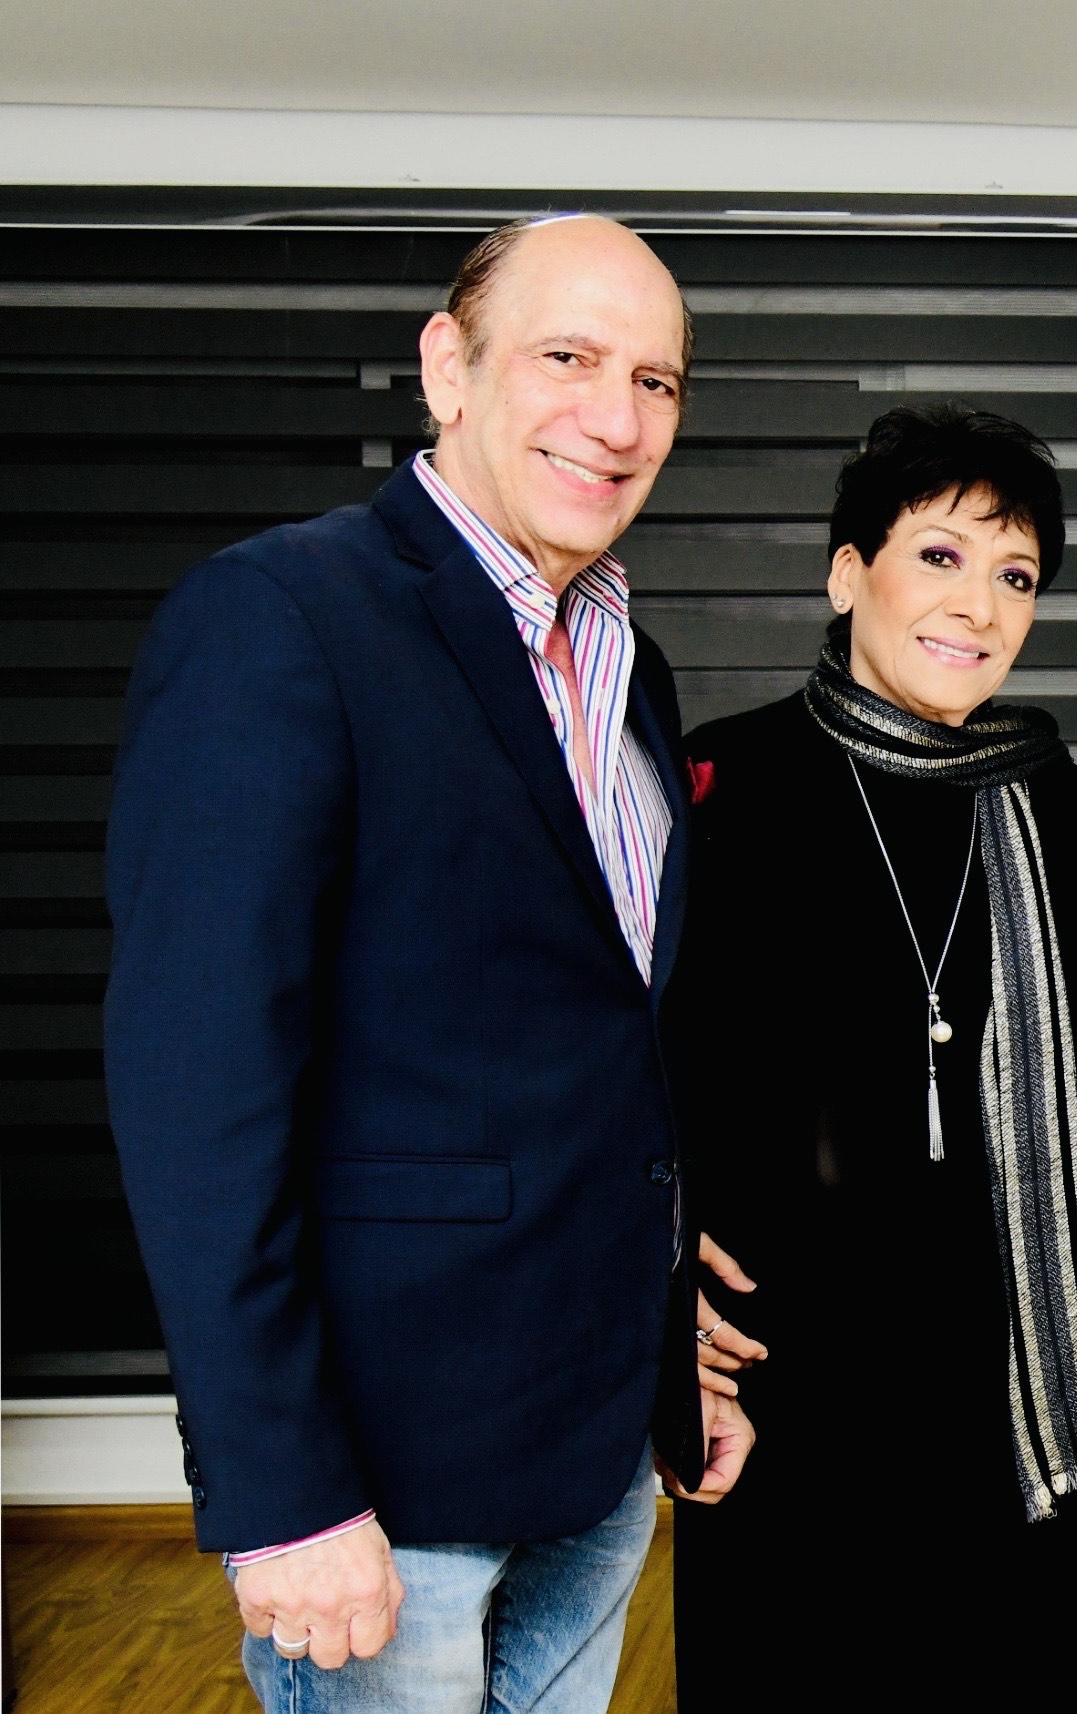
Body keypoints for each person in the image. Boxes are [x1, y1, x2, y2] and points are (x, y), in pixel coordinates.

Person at [105, 213, 749, 1714]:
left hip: (593, 1454)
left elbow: (602, 1043)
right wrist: (279, 1491)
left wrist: (667, 1362)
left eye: (655, 380)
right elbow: (198, 1091)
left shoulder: (630, 667)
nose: (617, 418)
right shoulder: (282, 617)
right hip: (380, 1487)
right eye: (569, 357)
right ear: (447, 369)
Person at [662, 405, 1077, 1707]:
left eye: (1015, 575)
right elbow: (621, 1066)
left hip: (1002, 1355)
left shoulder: (1044, 791)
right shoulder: (721, 779)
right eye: (939, 556)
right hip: (789, 1363)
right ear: (845, 573)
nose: (978, 606)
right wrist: (652, 1284)